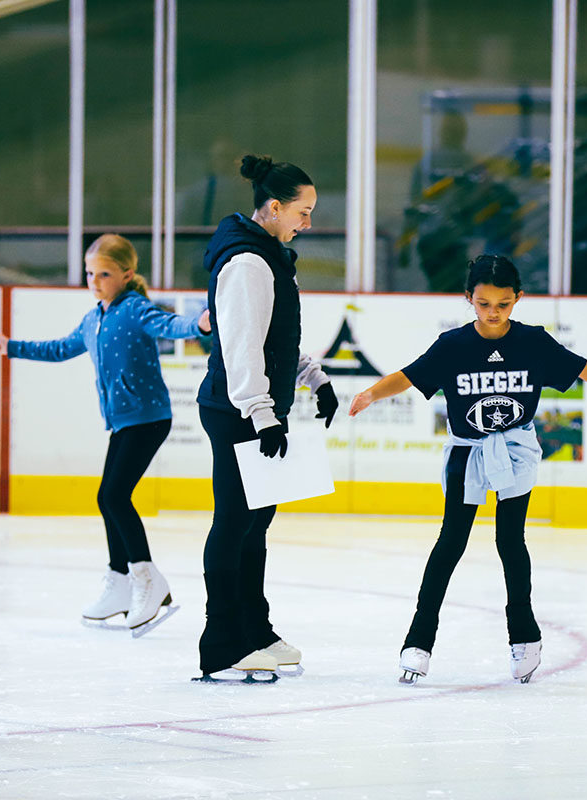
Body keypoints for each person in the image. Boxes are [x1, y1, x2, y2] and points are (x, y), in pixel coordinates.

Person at [349, 255, 587, 684]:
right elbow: (410, 375)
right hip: (467, 453)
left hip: (515, 451)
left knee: (510, 541)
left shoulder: (533, 342)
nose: (493, 313)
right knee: (450, 541)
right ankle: (418, 640)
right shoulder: (452, 345)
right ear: (468, 298)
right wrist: (372, 393)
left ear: (518, 299)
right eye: (484, 303)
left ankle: (524, 638)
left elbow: (586, 369)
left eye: (503, 304)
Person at [0, 234, 210, 637]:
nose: (95, 280)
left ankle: (146, 578)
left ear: (126, 274)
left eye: (104, 274)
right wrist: (11, 347)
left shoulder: (136, 308)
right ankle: (120, 583)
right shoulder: (94, 318)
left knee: (112, 496)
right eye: (90, 273)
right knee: (109, 498)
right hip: (123, 422)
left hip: (148, 418)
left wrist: (197, 323)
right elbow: (60, 348)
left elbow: (171, 324)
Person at [194, 154, 338, 682]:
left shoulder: (269, 256)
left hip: (258, 410)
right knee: (234, 524)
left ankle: (255, 630)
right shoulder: (248, 263)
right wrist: (261, 413)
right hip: (235, 411)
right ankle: (223, 643)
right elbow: (240, 346)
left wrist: (313, 378)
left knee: (256, 525)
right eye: (303, 212)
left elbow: (275, 338)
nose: (308, 223)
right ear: (274, 208)